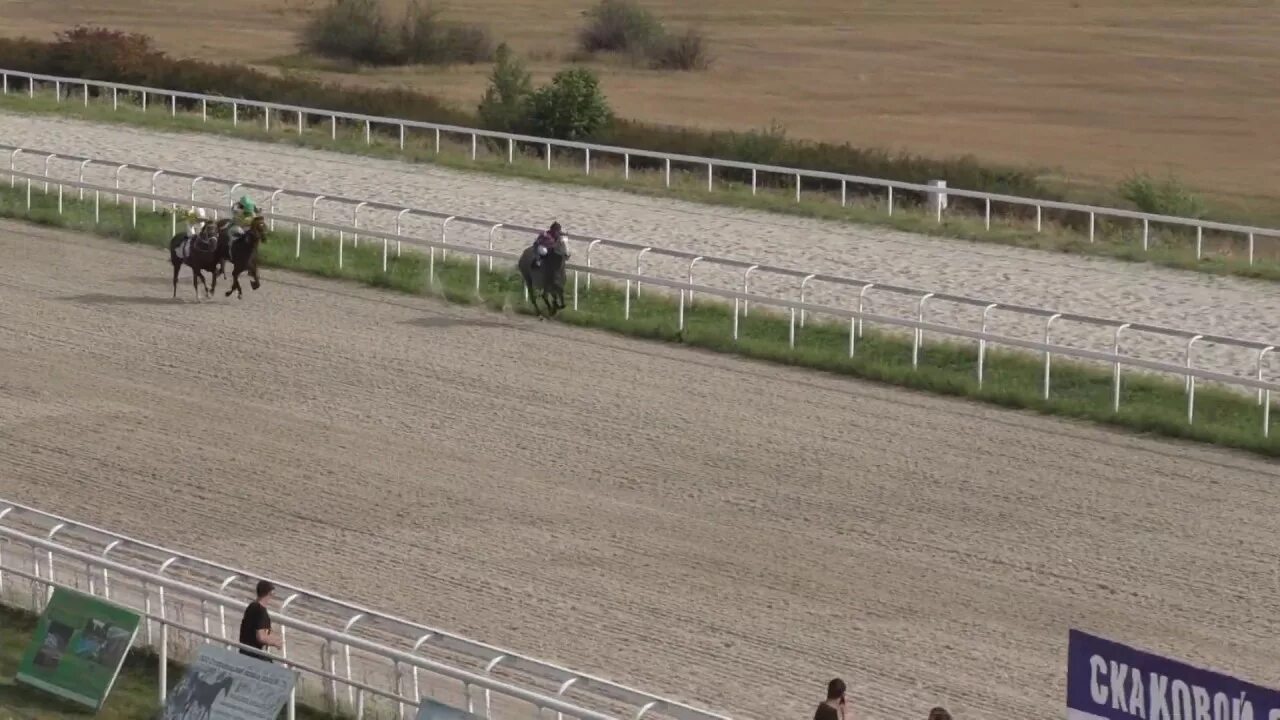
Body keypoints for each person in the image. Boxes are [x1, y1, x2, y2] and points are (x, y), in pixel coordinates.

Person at [238, 579, 282, 663]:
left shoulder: (251, 606)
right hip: (254, 655)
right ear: (270, 593)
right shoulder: (261, 612)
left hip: (243, 650)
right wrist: (275, 642)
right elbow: (260, 637)